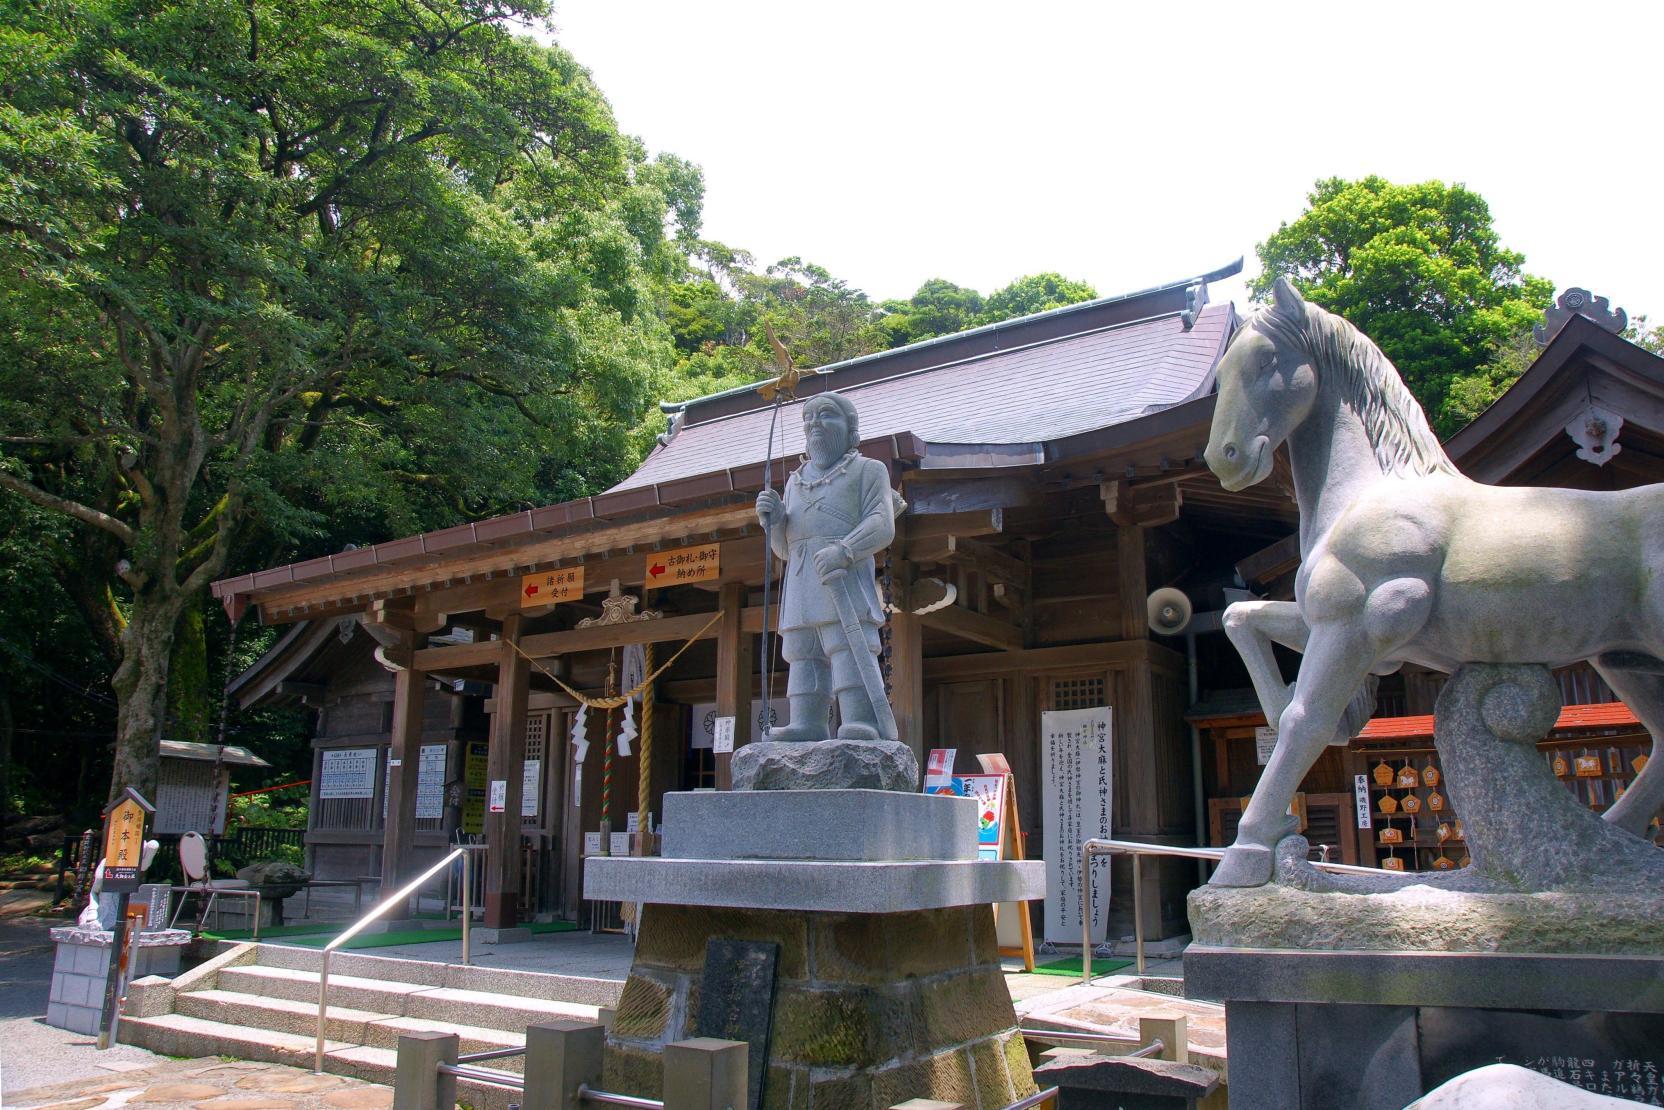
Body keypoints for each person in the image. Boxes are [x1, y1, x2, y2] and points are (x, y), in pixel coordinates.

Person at [755, 392, 899, 741]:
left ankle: (860, 720)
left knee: (849, 647)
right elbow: (785, 550)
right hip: (802, 580)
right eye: (809, 417)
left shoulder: (868, 470)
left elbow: (883, 522)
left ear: (850, 428)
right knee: (803, 653)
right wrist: (773, 522)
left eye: (826, 415)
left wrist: (846, 549)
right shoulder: (795, 481)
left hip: (843, 577)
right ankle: (807, 723)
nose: (814, 423)